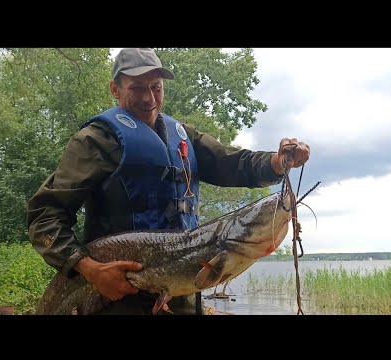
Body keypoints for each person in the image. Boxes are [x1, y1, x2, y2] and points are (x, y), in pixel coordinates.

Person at [27, 48, 310, 315]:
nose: (149, 98)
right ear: (115, 88)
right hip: (117, 297)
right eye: (137, 88)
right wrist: (88, 268)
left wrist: (276, 161)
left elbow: (233, 163)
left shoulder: (184, 136)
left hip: (183, 289)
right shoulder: (95, 141)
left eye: (156, 88)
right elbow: (45, 217)